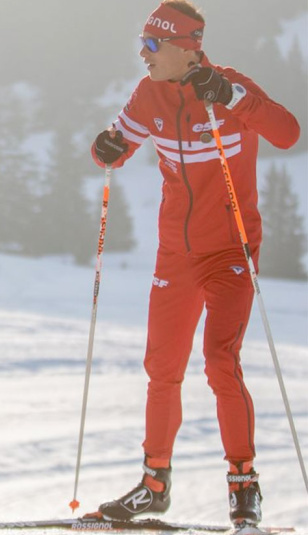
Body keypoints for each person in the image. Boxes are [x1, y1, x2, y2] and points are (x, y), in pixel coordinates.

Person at [89, 0, 300, 528]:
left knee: (220, 362)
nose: (144, 53)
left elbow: (289, 132)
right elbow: (118, 146)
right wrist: (106, 148)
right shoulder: (148, 92)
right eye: (142, 42)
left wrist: (232, 97)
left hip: (230, 250)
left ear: (188, 49)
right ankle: (154, 485)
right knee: (162, 367)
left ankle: (243, 483)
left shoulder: (228, 87)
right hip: (175, 254)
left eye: (153, 45)